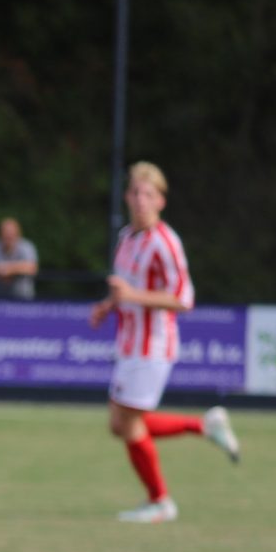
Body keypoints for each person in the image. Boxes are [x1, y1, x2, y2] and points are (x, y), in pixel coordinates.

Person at [88, 162, 239, 523]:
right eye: (136, 193)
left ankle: (160, 502)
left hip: (152, 345)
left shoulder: (166, 243)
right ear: (127, 196)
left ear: (161, 201)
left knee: (129, 424)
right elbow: (126, 287)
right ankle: (205, 427)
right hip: (128, 342)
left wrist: (132, 295)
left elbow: (184, 300)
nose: (141, 200)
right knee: (119, 424)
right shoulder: (126, 238)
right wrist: (110, 304)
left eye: (149, 194)